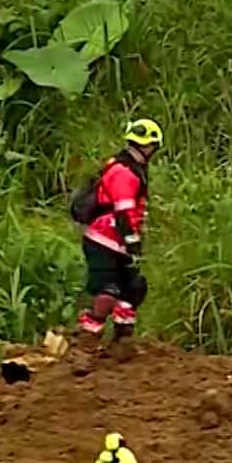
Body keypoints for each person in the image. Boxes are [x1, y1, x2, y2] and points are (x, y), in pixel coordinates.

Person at [75, 119, 161, 342]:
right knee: (109, 288)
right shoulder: (124, 172)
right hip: (103, 239)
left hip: (118, 242)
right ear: (151, 146)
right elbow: (123, 212)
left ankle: (122, 340)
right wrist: (132, 239)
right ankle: (88, 336)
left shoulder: (131, 168)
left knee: (134, 287)